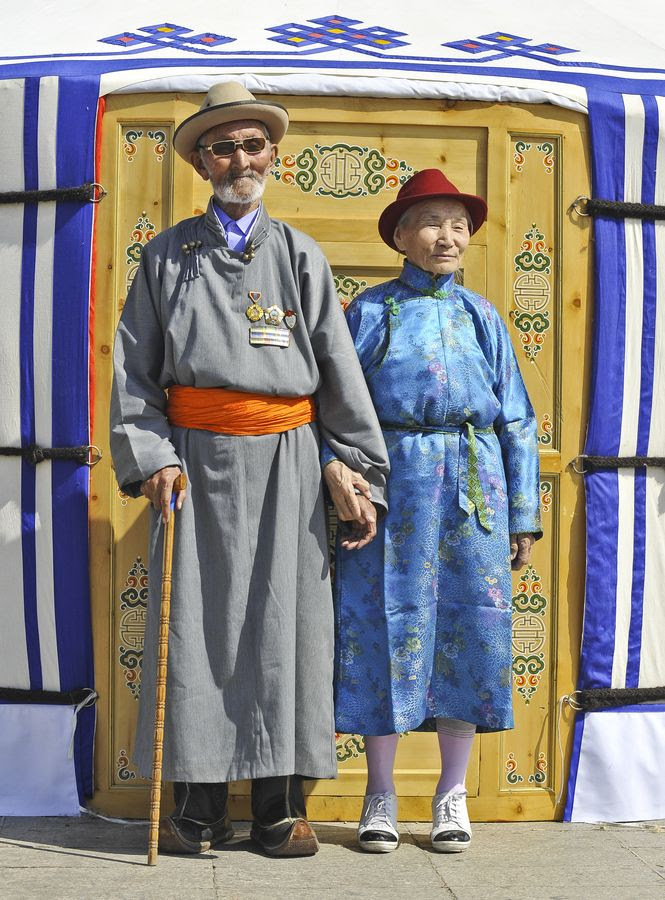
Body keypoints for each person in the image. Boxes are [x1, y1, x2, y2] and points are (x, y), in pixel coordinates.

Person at [110, 81, 389, 857]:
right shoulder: (167, 256)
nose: (240, 158)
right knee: (195, 632)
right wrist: (153, 459)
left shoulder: (300, 254)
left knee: (286, 629)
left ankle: (277, 811)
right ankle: (197, 811)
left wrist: (354, 465)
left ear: (274, 156)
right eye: (223, 146)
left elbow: (337, 370)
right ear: (202, 162)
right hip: (193, 467)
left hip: (290, 467)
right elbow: (134, 376)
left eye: (253, 144)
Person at [328, 169, 542, 854]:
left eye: (456, 223)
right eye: (430, 221)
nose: (446, 236)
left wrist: (521, 514)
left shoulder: (482, 316)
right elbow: (336, 407)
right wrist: (349, 488)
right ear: (399, 235)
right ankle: (379, 792)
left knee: (468, 632)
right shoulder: (369, 312)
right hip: (393, 490)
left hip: (472, 490)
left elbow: (515, 417)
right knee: (380, 632)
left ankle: (451, 795)